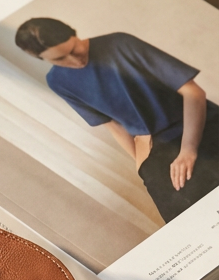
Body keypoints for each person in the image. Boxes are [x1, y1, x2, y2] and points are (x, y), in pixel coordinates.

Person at [14, 18, 219, 223]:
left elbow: (193, 92)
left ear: (74, 34)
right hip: (154, 146)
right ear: (43, 59)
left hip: (198, 122)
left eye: (74, 49)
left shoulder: (120, 43)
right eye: (60, 59)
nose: (75, 60)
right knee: (185, 214)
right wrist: (142, 167)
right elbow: (112, 124)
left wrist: (188, 150)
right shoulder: (57, 82)